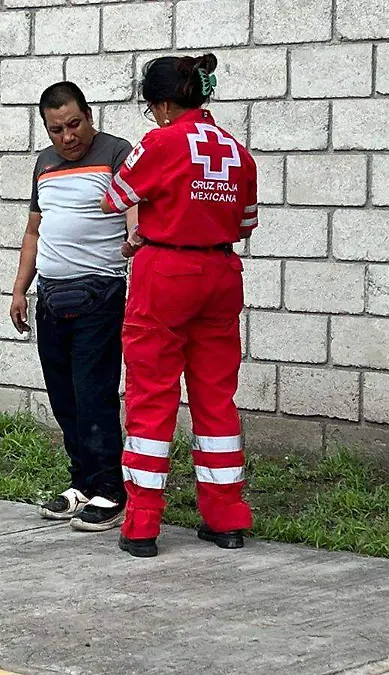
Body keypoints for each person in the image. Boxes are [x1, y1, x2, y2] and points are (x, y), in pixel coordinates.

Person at [101, 54, 258, 558]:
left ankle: (143, 521)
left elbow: (116, 195)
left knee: (151, 395)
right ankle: (226, 516)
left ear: (164, 104)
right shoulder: (238, 151)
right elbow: (244, 225)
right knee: (216, 397)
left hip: (165, 274)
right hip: (219, 273)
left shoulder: (159, 142)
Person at [9, 83, 135, 532]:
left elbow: (133, 209)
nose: (67, 137)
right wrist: (20, 289)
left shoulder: (118, 153)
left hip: (100, 295)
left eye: (74, 124)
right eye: (56, 129)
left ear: (89, 115)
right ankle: (81, 483)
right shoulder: (43, 164)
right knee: (64, 398)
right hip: (51, 297)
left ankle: (111, 490)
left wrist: (133, 241)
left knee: (93, 394)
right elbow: (33, 231)